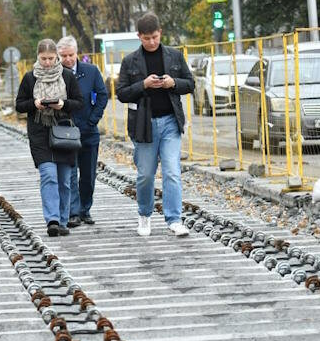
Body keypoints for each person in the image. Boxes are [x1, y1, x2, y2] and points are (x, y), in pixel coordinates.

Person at [116, 12, 194, 237]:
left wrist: (173, 83)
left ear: (161, 33)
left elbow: (190, 84)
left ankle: (174, 219)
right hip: (144, 125)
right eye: (147, 38)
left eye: (155, 37)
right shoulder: (130, 61)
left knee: (172, 171)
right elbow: (121, 93)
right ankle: (144, 215)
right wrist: (143, 84)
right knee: (146, 174)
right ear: (139, 36)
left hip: (171, 121)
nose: (151, 42)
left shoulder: (174, 56)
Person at [15, 39, 83, 237]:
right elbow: (20, 104)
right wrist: (34, 104)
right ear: (38, 57)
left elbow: (79, 103)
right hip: (39, 133)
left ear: (57, 58)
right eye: (43, 59)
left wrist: (63, 104)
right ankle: (52, 220)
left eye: (51, 59)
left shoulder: (68, 77)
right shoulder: (29, 78)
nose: (47, 63)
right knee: (48, 176)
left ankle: (63, 220)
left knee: (64, 180)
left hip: (63, 133)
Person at [57, 36, 108, 227]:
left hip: (88, 131)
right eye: (63, 56)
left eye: (71, 55)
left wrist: (92, 120)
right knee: (69, 173)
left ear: (77, 53)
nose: (68, 59)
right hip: (65, 131)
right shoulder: (55, 75)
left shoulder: (91, 71)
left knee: (88, 174)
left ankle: (85, 209)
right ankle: (73, 212)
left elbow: (102, 96)